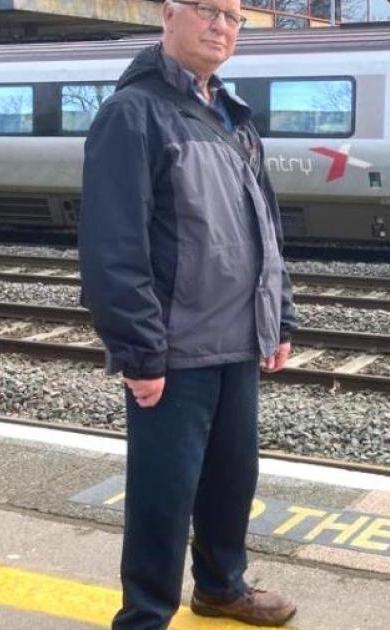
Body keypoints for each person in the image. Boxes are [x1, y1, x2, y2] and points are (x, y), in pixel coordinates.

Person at [78, 0, 299, 627]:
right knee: (163, 493)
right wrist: (139, 351)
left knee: (232, 478)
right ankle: (145, 615)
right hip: (175, 349)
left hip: (238, 339)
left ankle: (221, 587)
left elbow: (265, 228)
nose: (221, 26)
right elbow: (113, 246)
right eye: (207, 10)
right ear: (169, 14)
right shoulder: (133, 113)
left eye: (233, 16)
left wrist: (280, 316)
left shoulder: (233, 116)